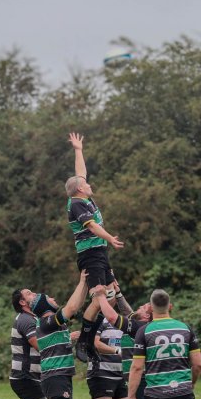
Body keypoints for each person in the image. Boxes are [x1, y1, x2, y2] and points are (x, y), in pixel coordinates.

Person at [20, 271, 89, 399]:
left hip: (52, 377)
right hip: (57, 377)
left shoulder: (47, 323)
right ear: (45, 306)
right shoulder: (49, 320)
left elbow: (77, 305)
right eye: (49, 298)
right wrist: (83, 280)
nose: (53, 299)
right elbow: (72, 307)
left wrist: (87, 285)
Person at [65, 133, 124, 356]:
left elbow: (81, 172)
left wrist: (78, 149)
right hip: (90, 254)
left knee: (109, 296)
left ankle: (88, 339)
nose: (89, 184)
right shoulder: (78, 205)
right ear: (80, 189)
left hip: (99, 252)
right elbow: (91, 227)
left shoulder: (82, 197)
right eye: (86, 184)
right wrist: (110, 237)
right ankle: (84, 342)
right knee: (100, 297)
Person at [76, 289, 138, 399]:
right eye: (108, 296)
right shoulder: (99, 320)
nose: (113, 299)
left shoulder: (120, 321)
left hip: (118, 376)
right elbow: (95, 343)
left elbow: (133, 315)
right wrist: (116, 351)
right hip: (100, 374)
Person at [10, 289, 46, 399]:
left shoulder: (30, 318)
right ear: (23, 302)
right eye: (29, 293)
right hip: (26, 377)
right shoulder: (26, 320)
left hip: (25, 377)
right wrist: (65, 340)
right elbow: (40, 345)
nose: (34, 294)